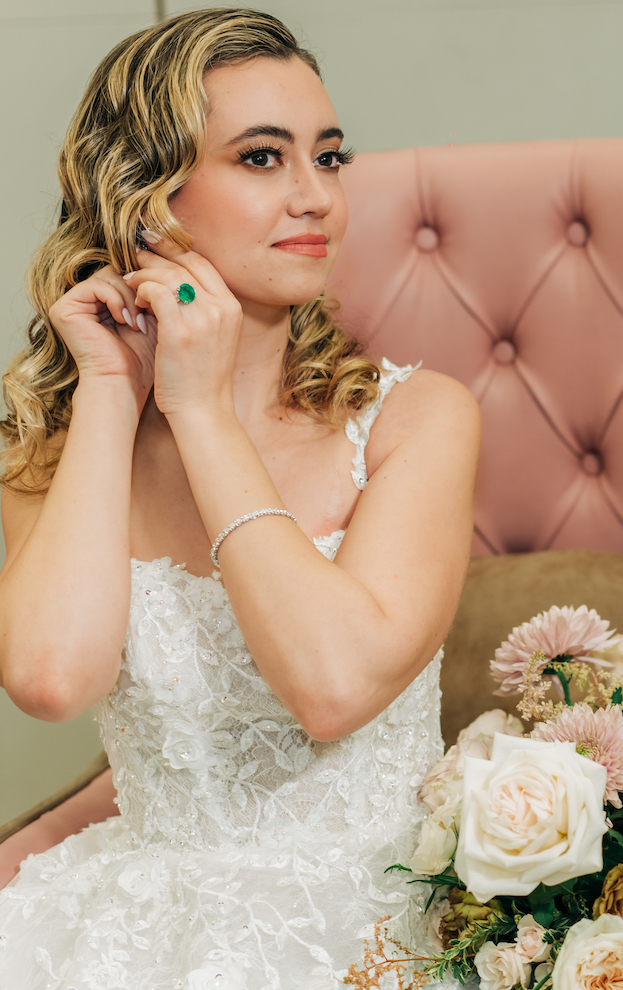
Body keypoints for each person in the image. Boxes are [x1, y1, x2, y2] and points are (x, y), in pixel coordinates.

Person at [0, 8, 481, 989]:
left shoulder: (418, 418)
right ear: (147, 199)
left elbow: (334, 685)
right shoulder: (39, 449)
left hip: (375, 922)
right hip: (129, 926)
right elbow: (52, 679)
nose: (317, 198)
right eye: (263, 160)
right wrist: (105, 388)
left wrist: (201, 410)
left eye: (330, 156)